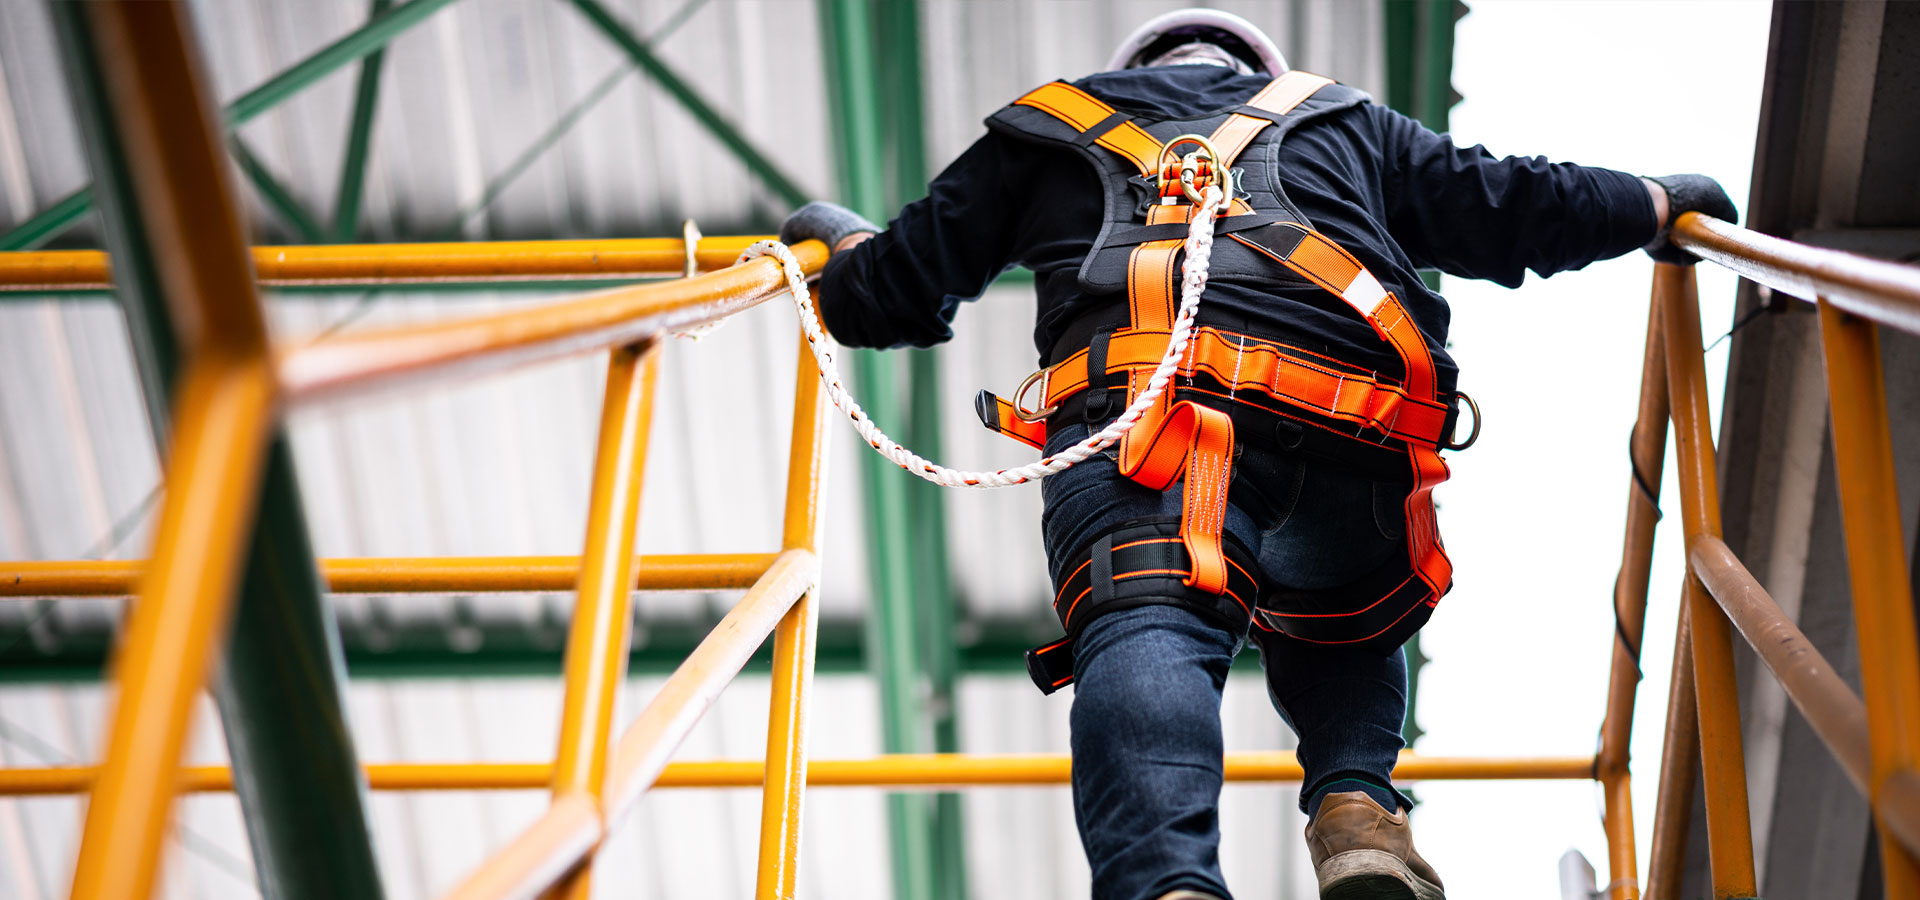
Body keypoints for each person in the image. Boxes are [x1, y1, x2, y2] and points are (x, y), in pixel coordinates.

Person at [780, 9, 1735, 900]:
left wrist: (837, 244)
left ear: (1129, 76)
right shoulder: (1344, 120)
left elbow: (892, 291)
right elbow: (1509, 202)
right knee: (1346, 621)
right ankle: (1359, 812)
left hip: (1149, 428)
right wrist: (1656, 207)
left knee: (1148, 630)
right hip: (1353, 422)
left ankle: (1168, 882)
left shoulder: (1041, 132)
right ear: (1260, 76)